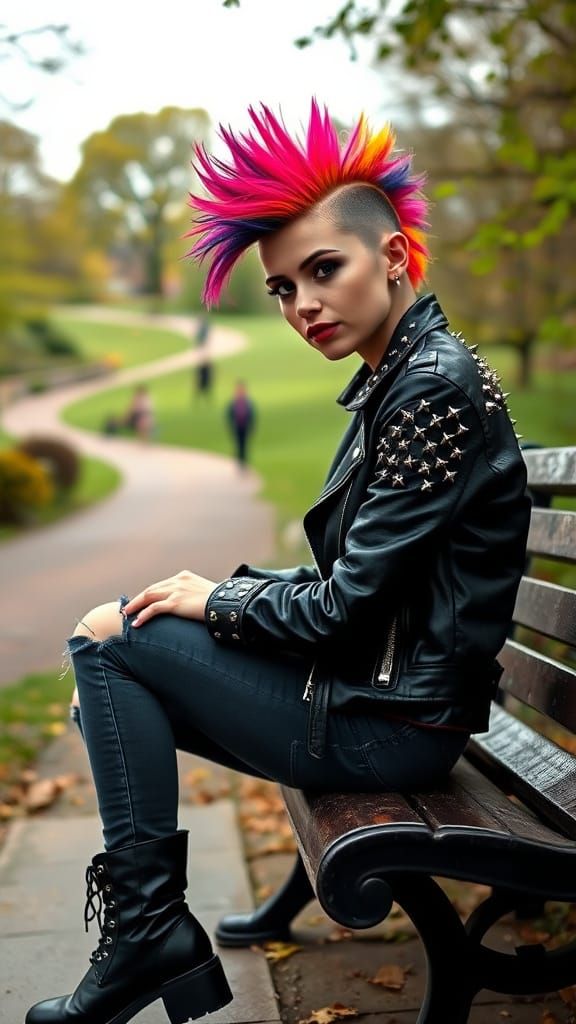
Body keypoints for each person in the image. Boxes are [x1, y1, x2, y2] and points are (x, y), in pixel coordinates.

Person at [27, 100, 531, 1024]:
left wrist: (219, 603)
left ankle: (149, 934)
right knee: (115, 656)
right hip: (392, 703)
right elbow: (364, 587)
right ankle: (149, 931)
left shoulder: (428, 390)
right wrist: (223, 595)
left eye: (324, 270)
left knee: (107, 646)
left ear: (392, 255)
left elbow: (344, 611)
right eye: (283, 288)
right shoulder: (399, 378)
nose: (304, 305)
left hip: (397, 728)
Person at [226, 379, 256, 467]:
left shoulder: (248, 402)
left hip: (245, 426)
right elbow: (230, 415)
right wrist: (231, 425)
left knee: (245, 445)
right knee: (238, 445)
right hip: (237, 427)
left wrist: (252, 426)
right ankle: (239, 461)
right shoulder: (234, 402)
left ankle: (244, 461)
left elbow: (252, 415)